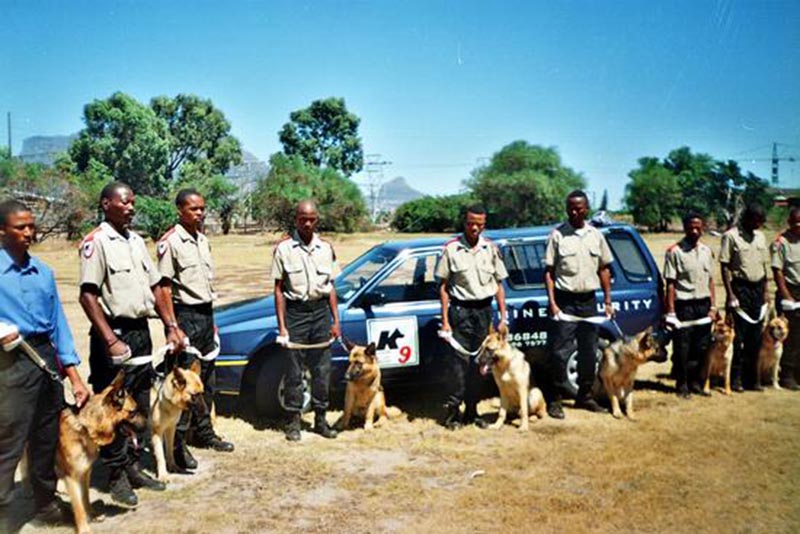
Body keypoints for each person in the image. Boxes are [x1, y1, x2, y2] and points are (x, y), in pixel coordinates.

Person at [78, 182, 186, 506]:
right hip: (113, 335)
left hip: (140, 332)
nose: (131, 207)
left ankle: (134, 466)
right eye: (124, 202)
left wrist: (170, 326)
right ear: (105, 204)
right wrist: (110, 340)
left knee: (137, 404)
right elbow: (87, 295)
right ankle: (116, 476)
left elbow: (157, 288)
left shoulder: (136, 241)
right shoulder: (96, 243)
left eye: (133, 202)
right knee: (112, 409)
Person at [0, 200, 90, 531]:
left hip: (44, 359)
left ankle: (46, 503)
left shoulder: (44, 273)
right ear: (2, 231)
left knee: (46, 436)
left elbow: (59, 327)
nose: (28, 232)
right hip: (9, 362)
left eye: (31, 226)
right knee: (9, 439)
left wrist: (75, 378)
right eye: (20, 227)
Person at [156, 189, 234, 470]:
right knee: (184, 384)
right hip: (184, 316)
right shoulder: (170, 243)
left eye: (202, 208)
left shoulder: (202, 240)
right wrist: (172, 326)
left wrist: (210, 321)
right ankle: (178, 444)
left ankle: (204, 432)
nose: (200, 213)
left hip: (205, 314)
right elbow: (163, 287)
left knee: (207, 380)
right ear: (180, 210)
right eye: (193, 209)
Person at [272, 200, 341, 441]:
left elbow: (331, 287)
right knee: (294, 372)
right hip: (296, 314)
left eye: (311, 219)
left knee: (322, 371)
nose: (307, 223)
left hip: (321, 313)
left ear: (316, 220)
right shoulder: (284, 249)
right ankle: (293, 421)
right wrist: (282, 327)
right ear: (296, 220)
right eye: (303, 219)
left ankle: (321, 420)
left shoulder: (326, 248)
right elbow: (278, 290)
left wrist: (336, 321)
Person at [435, 204, 508, 429]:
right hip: (461, 312)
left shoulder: (490, 248)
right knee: (458, 365)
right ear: (464, 223)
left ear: (484, 225)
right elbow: (443, 287)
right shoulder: (451, 249)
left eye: (479, 224)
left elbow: (498, 284)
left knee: (480, 364)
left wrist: (503, 317)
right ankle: (453, 414)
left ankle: (472, 411)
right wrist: (445, 321)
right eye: (470, 223)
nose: (474, 228)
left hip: (484, 312)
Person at [543, 190, 613, 418]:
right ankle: (555, 399)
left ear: (586, 209)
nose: (575, 212)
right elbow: (549, 272)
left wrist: (608, 301)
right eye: (571, 208)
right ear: (566, 209)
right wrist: (553, 303)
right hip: (565, 301)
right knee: (559, 352)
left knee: (589, 351)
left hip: (589, 300)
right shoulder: (557, 236)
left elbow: (604, 269)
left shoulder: (596, 235)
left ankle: (585, 396)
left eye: (579, 208)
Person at [664, 212, 716, 398]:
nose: (694, 231)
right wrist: (671, 311)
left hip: (703, 305)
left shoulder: (707, 251)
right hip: (684, 306)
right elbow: (671, 283)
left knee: (701, 346)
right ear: (685, 228)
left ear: (703, 228)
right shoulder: (674, 252)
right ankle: (682, 384)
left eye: (698, 227)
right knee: (682, 348)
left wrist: (713, 307)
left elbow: (711, 280)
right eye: (691, 227)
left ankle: (696, 382)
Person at [719, 204, 770, 392]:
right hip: (740, 289)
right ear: (746, 218)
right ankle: (735, 379)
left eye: (761, 222)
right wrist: (730, 294)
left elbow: (763, 266)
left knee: (755, 338)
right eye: (755, 220)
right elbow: (724, 266)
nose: (758, 225)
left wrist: (765, 291)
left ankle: (753, 379)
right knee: (738, 338)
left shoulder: (761, 237)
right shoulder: (731, 236)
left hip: (758, 290)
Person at [772, 206, 800, 390]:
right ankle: (787, 375)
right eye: (796, 222)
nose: (799, 225)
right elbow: (778, 271)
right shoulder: (781, 242)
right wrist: (787, 297)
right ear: (789, 222)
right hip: (790, 292)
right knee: (791, 337)